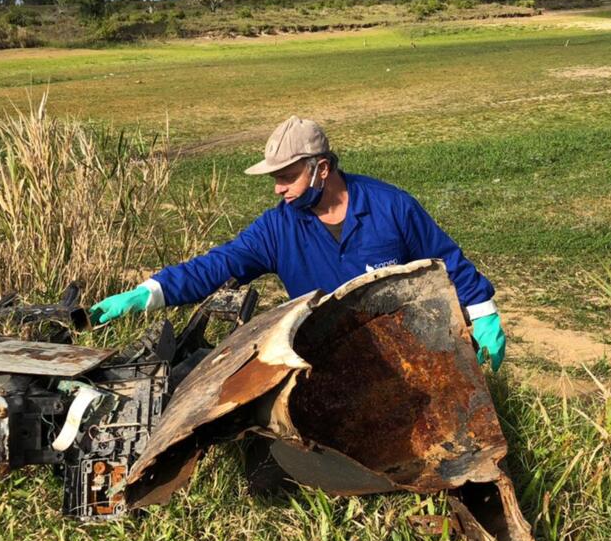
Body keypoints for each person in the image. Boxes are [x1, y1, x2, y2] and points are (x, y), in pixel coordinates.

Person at [89, 116, 506, 370]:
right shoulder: (277, 229)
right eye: (275, 178)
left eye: (286, 177)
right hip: (324, 351)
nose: (278, 189)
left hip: (401, 347)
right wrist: (148, 293)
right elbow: (218, 265)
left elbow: (448, 261)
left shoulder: (392, 207)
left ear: (321, 169)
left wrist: (484, 314)